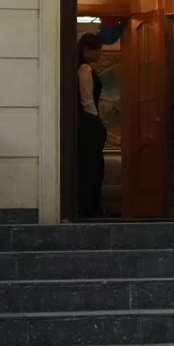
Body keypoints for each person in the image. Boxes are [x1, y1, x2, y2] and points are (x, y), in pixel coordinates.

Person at [74, 33, 107, 217]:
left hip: (83, 123)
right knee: (93, 167)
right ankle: (91, 207)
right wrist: (97, 122)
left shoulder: (78, 66)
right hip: (89, 123)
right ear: (87, 49)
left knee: (86, 166)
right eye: (98, 50)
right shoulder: (85, 69)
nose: (100, 53)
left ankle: (87, 206)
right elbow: (87, 100)